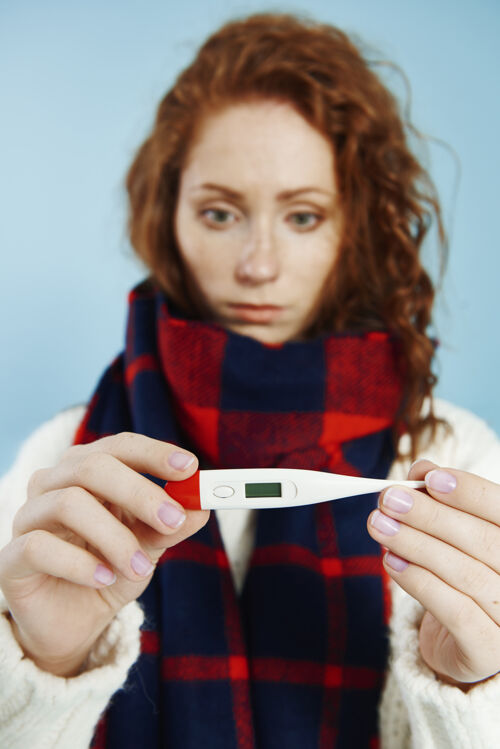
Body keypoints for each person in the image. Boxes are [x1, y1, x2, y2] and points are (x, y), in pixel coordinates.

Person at [1, 11, 500, 749]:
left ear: (355, 226)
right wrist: (46, 662)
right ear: (167, 214)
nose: (257, 264)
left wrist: (470, 688)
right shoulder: (65, 466)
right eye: (220, 211)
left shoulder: (454, 461)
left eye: (302, 216)